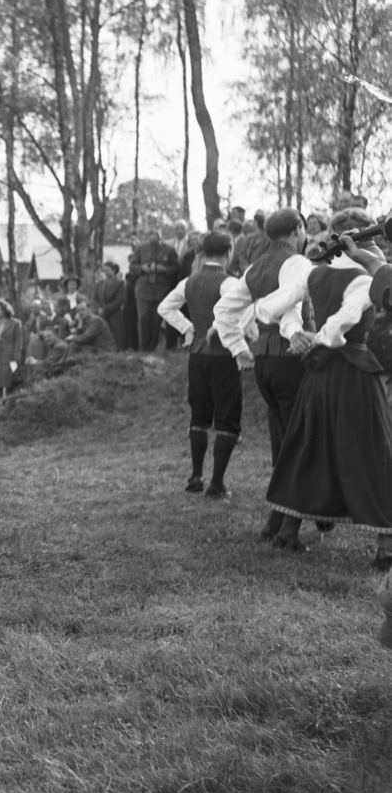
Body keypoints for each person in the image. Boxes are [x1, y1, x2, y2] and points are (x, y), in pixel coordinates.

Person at [259, 225, 392, 567]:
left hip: (318, 375)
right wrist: (315, 339)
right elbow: (339, 327)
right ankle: (386, 546)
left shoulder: (314, 274)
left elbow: (268, 308)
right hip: (353, 376)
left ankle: (288, 531)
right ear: (364, 248)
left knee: (309, 445)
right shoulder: (363, 279)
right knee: (372, 450)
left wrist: (296, 334)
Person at [213, 207, 310, 540]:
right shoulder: (297, 263)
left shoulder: (255, 267)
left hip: (264, 364)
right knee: (298, 442)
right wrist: (293, 332)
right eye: (303, 230)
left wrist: (239, 349)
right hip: (290, 360)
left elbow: (223, 310)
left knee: (282, 442)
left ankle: (276, 521)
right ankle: (286, 529)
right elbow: (291, 306)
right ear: (297, 229)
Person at [157, 231, 242, 497]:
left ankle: (196, 476)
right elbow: (241, 314)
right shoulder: (230, 283)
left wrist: (188, 328)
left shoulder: (189, 281)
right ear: (229, 252)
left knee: (199, 415)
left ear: (204, 252)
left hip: (196, 355)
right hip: (223, 355)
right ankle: (216, 484)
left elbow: (164, 308)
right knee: (227, 418)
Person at [129, 230, 180, 351]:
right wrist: (142, 268)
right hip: (143, 289)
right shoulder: (140, 249)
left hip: (161, 289)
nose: (153, 240)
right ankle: (143, 349)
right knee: (143, 319)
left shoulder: (169, 250)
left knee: (156, 320)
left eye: (155, 238)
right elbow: (132, 266)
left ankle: (153, 347)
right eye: (150, 238)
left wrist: (165, 269)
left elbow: (177, 267)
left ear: (160, 238)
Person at [0, 300, 22, 401]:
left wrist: (16, 359)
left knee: (10, 383)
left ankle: (10, 404)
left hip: (10, 357)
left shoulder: (15, 323)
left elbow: (18, 343)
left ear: (5, 310)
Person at [94, 262, 127, 351]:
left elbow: (119, 300)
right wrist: (98, 309)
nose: (105, 273)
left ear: (114, 270)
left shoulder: (120, 284)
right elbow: (95, 299)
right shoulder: (100, 284)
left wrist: (105, 310)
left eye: (108, 270)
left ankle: (118, 353)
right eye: (104, 270)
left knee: (117, 338)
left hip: (114, 315)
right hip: (101, 316)